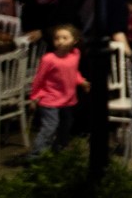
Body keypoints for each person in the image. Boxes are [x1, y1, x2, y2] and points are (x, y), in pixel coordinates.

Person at [24, 24, 86, 161]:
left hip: (68, 99)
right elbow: (39, 79)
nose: (61, 41)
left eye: (65, 38)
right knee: (50, 126)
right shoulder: (49, 59)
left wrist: (81, 81)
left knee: (66, 124)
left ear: (75, 40)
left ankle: (59, 149)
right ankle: (36, 155)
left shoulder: (75, 54)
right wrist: (34, 97)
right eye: (57, 38)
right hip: (50, 99)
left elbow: (73, 72)